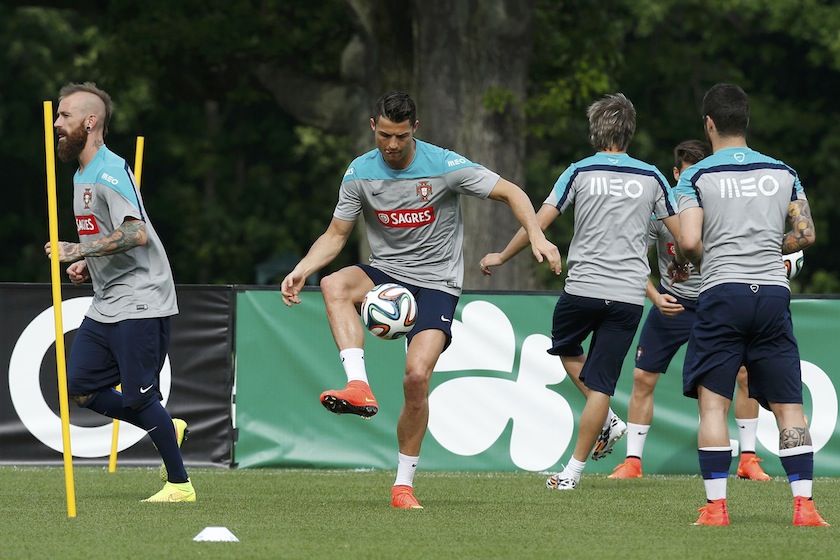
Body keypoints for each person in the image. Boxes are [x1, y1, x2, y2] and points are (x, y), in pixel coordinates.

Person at [280, 91, 561, 509]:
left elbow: (513, 192)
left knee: (416, 378)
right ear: (373, 126)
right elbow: (337, 235)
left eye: (401, 136)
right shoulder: (359, 173)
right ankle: (358, 385)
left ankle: (402, 485)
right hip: (386, 274)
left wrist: (537, 235)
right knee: (333, 284)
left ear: (416, 129)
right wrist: (303, 266)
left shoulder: (445, 167)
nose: (392, 146)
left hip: (436, 284)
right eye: (385, 136)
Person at [479, 93, 680, 490]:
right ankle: (573, 471)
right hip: (627, 297)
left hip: (583, 289)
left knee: (565, 346)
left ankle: (605, 420)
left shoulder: (579, 171)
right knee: (602, 385)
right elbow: (682, 236)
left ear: (595, 130)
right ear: (630, 132)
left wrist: (502, 256)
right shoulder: (653, 176)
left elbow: (539, 223)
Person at [674, 83, 826, 526]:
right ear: (746, 119)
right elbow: (805, 235)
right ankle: (806, 508)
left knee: (714, 404)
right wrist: (764, 245)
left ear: (709, 123)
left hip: (723, 292)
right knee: (789, 407)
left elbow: (688, 241)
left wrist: (703, 255)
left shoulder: (696, 176)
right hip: (773, 293)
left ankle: (717, 508)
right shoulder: (783, 171)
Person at [45, 82, 194, 503]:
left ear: (90, 122)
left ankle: (180, 486)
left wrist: (76, 248)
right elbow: (107, 235)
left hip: (142, 297)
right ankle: (165, 425)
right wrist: (86, 261)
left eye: (65, 116)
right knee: (78, 386)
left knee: (138, 397)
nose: (57, 124)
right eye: (57, 116)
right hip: (108, 298)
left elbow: (135, 233)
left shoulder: (109, 171)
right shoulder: (81, 174)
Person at [609, 140, 770, 481]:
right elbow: (634, 259)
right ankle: (633, 463)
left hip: (715, 304)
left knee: (743, 375)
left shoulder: (721, 207)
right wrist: (654, 296)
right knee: (641, 377)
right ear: (676, 173)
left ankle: (748, 459)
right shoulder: (659, 214)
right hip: (672, 304)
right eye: (686, 172)